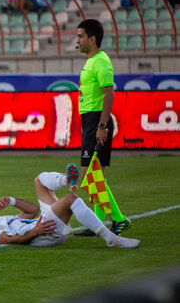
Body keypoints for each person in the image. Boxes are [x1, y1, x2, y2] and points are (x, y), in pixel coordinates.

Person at [0, 164, 140, 248]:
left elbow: (32, 211)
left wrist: (11, 200)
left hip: (39, 224)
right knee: (70, 199)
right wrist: (35, 232)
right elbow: (7, 240)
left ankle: (66, 179)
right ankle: (111, 239)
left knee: (39, 180)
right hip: (41, 233)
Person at [74, 19, 131, 237]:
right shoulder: (92, 61)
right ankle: (97, 223)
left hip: (96, 121)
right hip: (91, 121)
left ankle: (119, 219)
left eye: (80, 36)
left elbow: (109, 93)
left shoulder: (100, 61)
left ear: (92, 39)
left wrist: (101, 125)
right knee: (96, 174)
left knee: (89, 173)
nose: (77, 40)